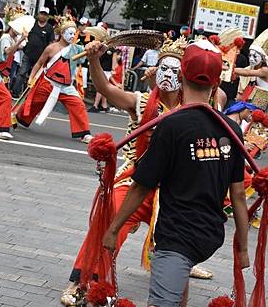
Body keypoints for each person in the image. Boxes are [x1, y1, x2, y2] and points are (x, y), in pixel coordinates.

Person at [61, 37, 218, 306]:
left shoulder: (193, 110)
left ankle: (184, 264)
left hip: (171, 190)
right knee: (111, 213)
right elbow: (106, 89)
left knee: (191, 222)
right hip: (136, 181)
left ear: (184, 75)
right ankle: (82, 281)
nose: (167, 75)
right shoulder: (141, 101)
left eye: (173, 70)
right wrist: (95, 61)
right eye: (162, 69)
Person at [102, 40, 250, 307]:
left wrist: (113, 229)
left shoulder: (172, 125)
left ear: (181, 76)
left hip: (177, 236)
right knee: (177, 292)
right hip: (211, 234)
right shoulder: (231, 129)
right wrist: (243, 247)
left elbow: (141, 186)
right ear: (216, 83)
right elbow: (238, 195)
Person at [14, 19, 92, 143]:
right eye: (69, 33)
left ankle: (84, 133)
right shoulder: (51, 48)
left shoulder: (77, 49)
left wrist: (92, 49)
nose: (72, 36)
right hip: (48, 83)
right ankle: (19, 117)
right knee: (34, 103)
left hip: (66, 86)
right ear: (62, 33)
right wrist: (31, 77)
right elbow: (39, 63)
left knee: (78, 105)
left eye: (74, 34)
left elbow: (86, 57)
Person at [11, 6, 54, 97]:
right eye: (41, 13)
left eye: (45, 14)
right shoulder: (32, 24)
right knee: (22, 73)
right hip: (28, 54)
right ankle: (15, 92)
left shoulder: (49, 28)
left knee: (35, 77)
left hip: (41, 57)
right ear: (38, 14)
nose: (42, 16)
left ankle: (29, 95)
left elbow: (51, 42)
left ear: (47, 17)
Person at [88, 46, 118, 113]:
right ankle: (104, 106)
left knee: (101, 87)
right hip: (102, 69)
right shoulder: (102, 47)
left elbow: (114, 60)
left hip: (106, 70)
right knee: (103, 87)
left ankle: (95, 105)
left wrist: (113, 69)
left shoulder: (111, 49)